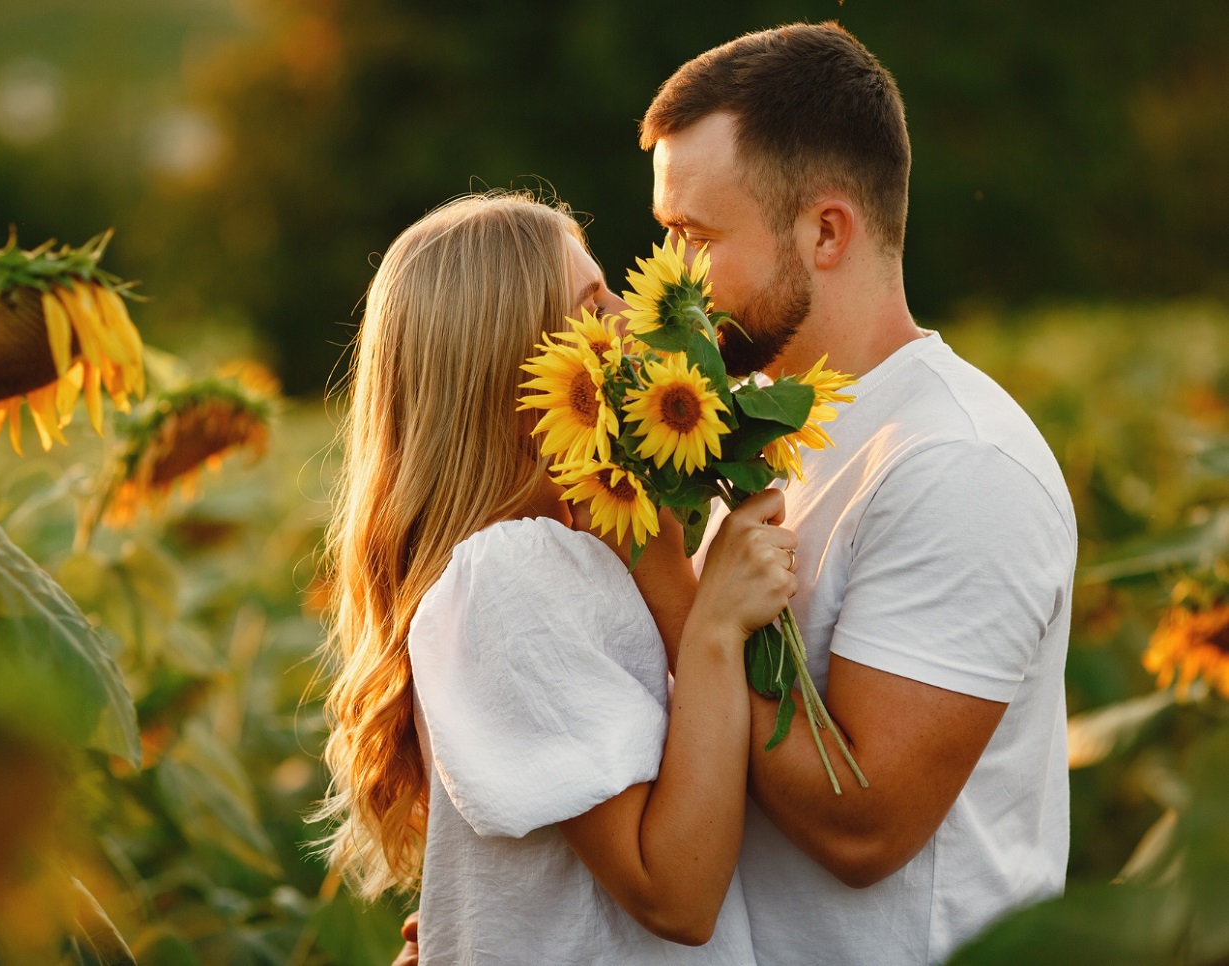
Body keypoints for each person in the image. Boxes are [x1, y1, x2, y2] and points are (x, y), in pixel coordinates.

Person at [393, 21, 1075, 966]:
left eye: (695, 237)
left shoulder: (958, 464)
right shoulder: (715, 431)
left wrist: (679, 594)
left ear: (826, 231)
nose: (664, 279)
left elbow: (863, 832)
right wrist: (511, 910)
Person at [316, 191, 801, 964]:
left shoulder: (547, 560)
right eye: (593, 301)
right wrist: (715, 623)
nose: (628, 317)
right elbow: (674, 893)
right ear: (518, 365)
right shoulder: (512, 573)